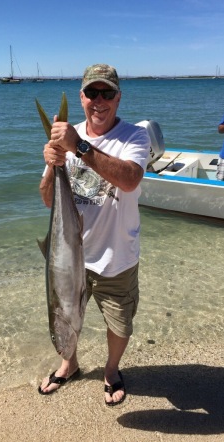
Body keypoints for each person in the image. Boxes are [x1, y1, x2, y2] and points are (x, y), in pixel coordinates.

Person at [38, 64, 150, 406]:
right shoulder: (65, 134)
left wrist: (80, 147)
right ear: (81, 97)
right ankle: (69, 363)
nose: (99, 101)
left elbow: (130, 179)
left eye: (107, 93)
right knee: (67, 313)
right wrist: (53, 163)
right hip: (68, 258)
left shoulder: (135, 136)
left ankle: (111, 370)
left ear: (118, 97)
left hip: (117, 257)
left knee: (119, 323)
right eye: (92, 93)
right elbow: (47, 200)